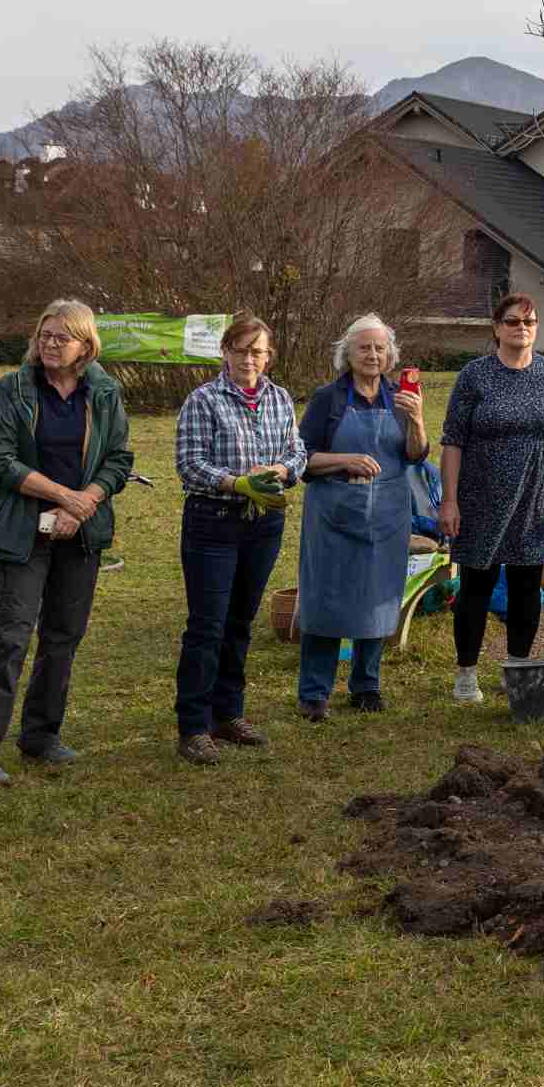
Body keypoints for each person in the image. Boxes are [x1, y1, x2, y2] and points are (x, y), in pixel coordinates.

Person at [0, 301, 133, 787]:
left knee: (63, 636)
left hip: (81, 531)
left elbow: (118, 458)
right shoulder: (14, 390)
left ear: (86, 346)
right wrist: (61, 498)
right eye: (45, 335)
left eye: (62, 337)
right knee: (10, 638)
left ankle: (41, 734)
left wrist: (84, 504)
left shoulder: (105, 392)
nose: (50, 344)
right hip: (22, 529)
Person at [169, 316, 304, 763]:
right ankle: (193, 726)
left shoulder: (280, 398)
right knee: (207, 625)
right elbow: (189, 463)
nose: (249, 359)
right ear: (225, 351)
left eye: (258, 351)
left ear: (269, 357)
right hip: (214, 520)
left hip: (264, 522)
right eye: (242, 349)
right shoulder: (203, 400)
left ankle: (228, 714)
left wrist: (283, 471)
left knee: (240, 622)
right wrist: (234, 482)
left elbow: (297, 450)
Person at [294, 316, 429, 722]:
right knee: (325, 600)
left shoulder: (400, 396)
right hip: (334, 512)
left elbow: (417, 455)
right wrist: (343, 459)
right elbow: (300, 460)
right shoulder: (328, 399)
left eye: (380, 348)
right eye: (364, 348)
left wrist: (419, 419)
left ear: (391, 355)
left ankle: (366, 686)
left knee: (378, 598)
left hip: (387, 512)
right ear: (347, 355)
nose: (373, 355)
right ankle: (314, 692)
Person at [441, 293, 544, 702]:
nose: (522, 328)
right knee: (475, 589)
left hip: (534, 499)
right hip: (480, 497)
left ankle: (517, 668)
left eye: (529, 322)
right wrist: (449, 500)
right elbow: (452, 441)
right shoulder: (475, 376)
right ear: (497, 328)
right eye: (513, 321)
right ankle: (466, 674)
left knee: (526, 590)